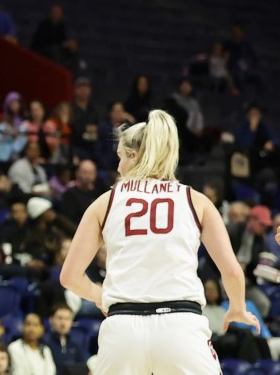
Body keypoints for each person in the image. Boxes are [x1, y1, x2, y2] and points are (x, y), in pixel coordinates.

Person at [60, 110, 260, 374]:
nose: (118, 167)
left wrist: (100, 296)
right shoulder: (196, 200)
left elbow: (70, 276)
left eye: (120, 157)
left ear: (133, 156)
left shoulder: (104, 203)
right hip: (180, 327)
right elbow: (232, 271)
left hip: (123, 329)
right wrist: (237, 307)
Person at [42, 304, 87, 373]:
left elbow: (83, 367)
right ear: (51, 320)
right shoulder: (44, 342)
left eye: (67, 319)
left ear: (71, 322)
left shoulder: (74, 344)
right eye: (60, 318)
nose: (63, 323)